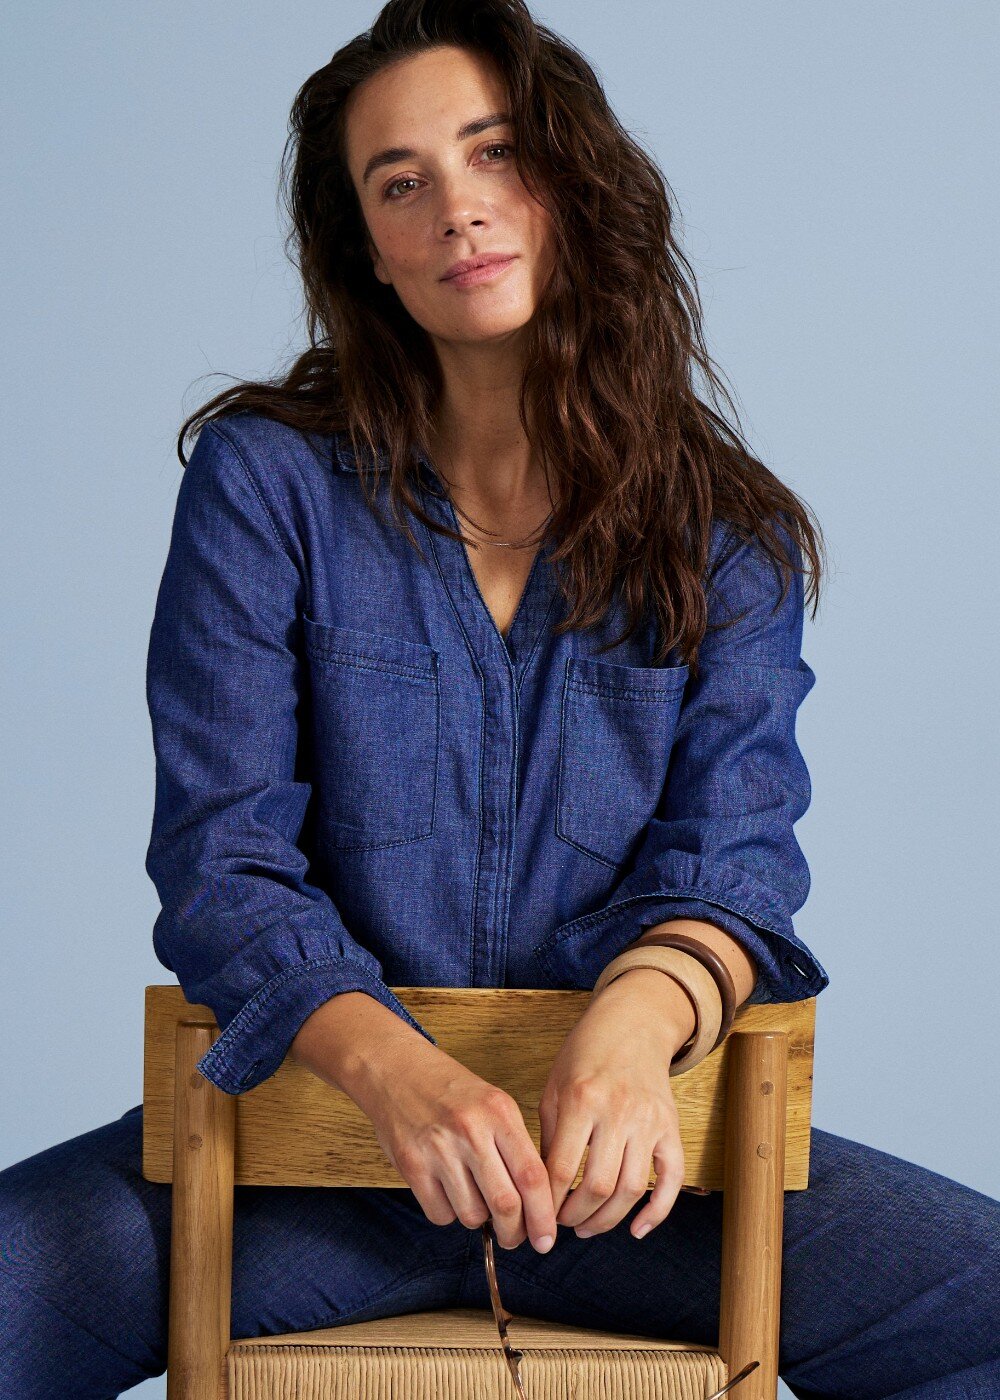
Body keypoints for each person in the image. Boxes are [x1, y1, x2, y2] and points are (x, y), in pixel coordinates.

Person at [2, 3, 997, 1396]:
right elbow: (222, 863)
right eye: (399, 182)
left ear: (574, 181)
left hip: (644, 1191)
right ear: (368, 247)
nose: (457, 208)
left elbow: (738, 862)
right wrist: (409, 1085)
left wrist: (629, 1036)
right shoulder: (266, 486)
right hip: (302, 1173)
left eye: (495, 152)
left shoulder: (730, 535)